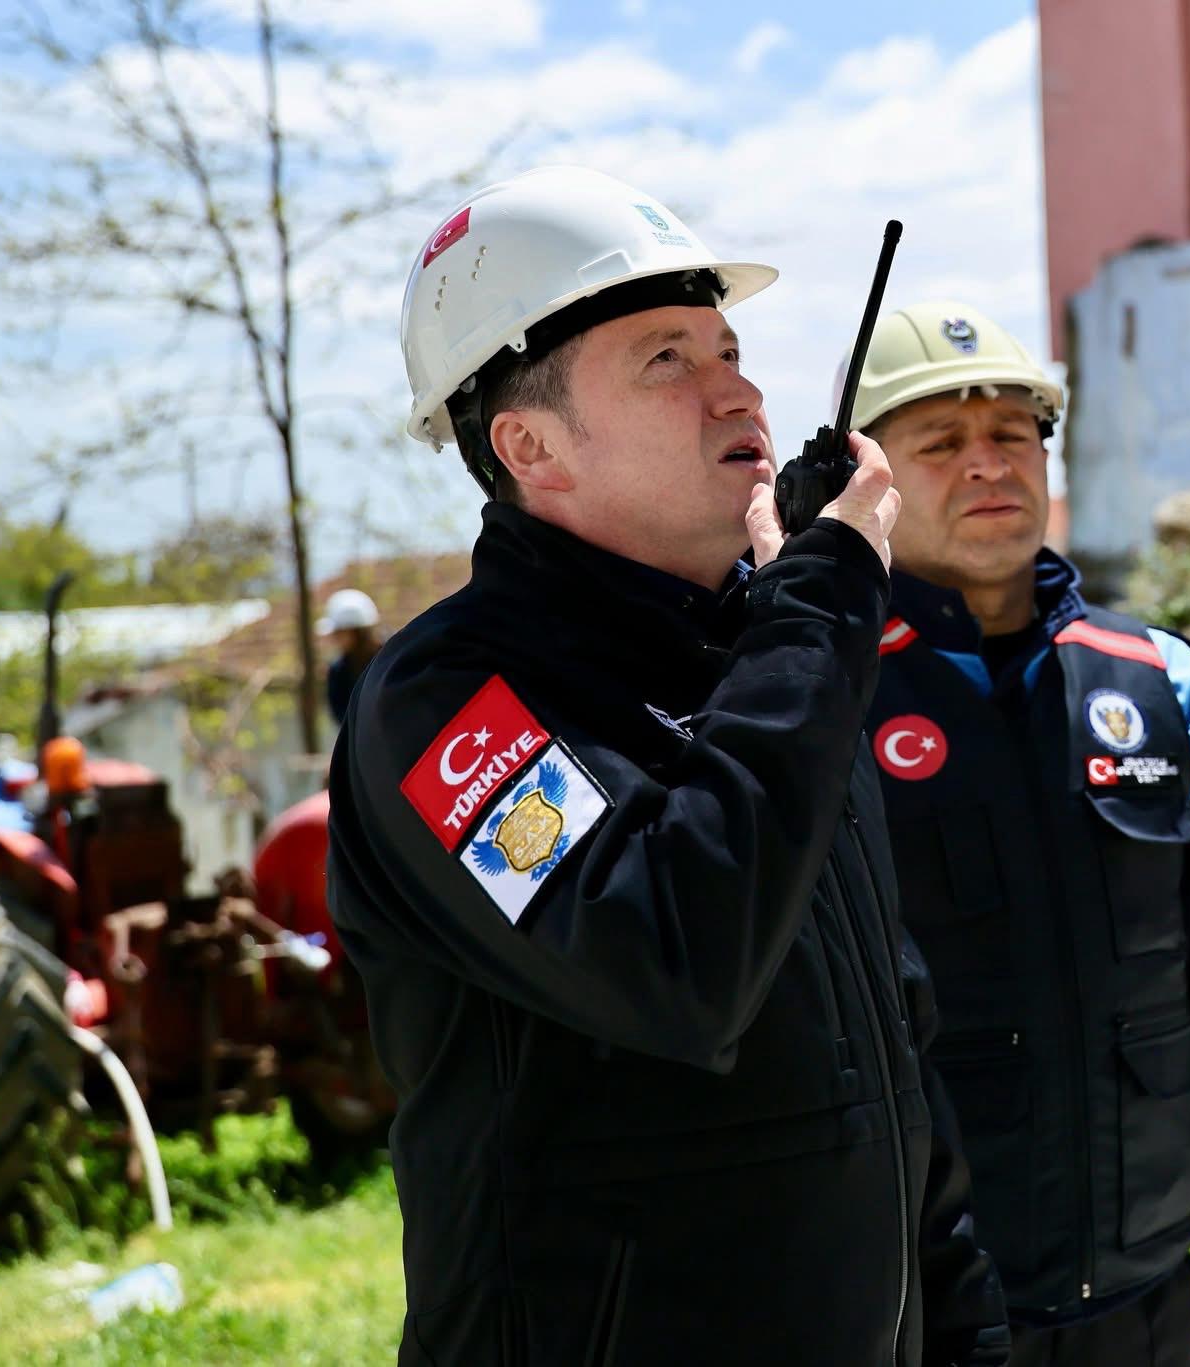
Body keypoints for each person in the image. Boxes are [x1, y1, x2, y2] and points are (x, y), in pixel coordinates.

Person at [324, 169, 1008, 1366]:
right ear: (530, 445)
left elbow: (893, 1054)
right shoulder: (444, 706)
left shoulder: (776, 663)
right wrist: (817, 611)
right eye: (665, 360)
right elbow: (679, 959)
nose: (737, 387)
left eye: (728, 348)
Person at [849, 300, 1190, 1367]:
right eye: (941, 441)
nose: (986, 464)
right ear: (870, 473)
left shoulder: (1163, 681)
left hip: (1138, 1281)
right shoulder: (815, 694)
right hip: (917, 1293)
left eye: (1012, 432)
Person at [316, 587, 382, 724]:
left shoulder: (393, 658)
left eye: (339, 632)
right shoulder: (338, 672)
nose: (335, 638)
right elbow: (342, 719)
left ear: (356, 632)